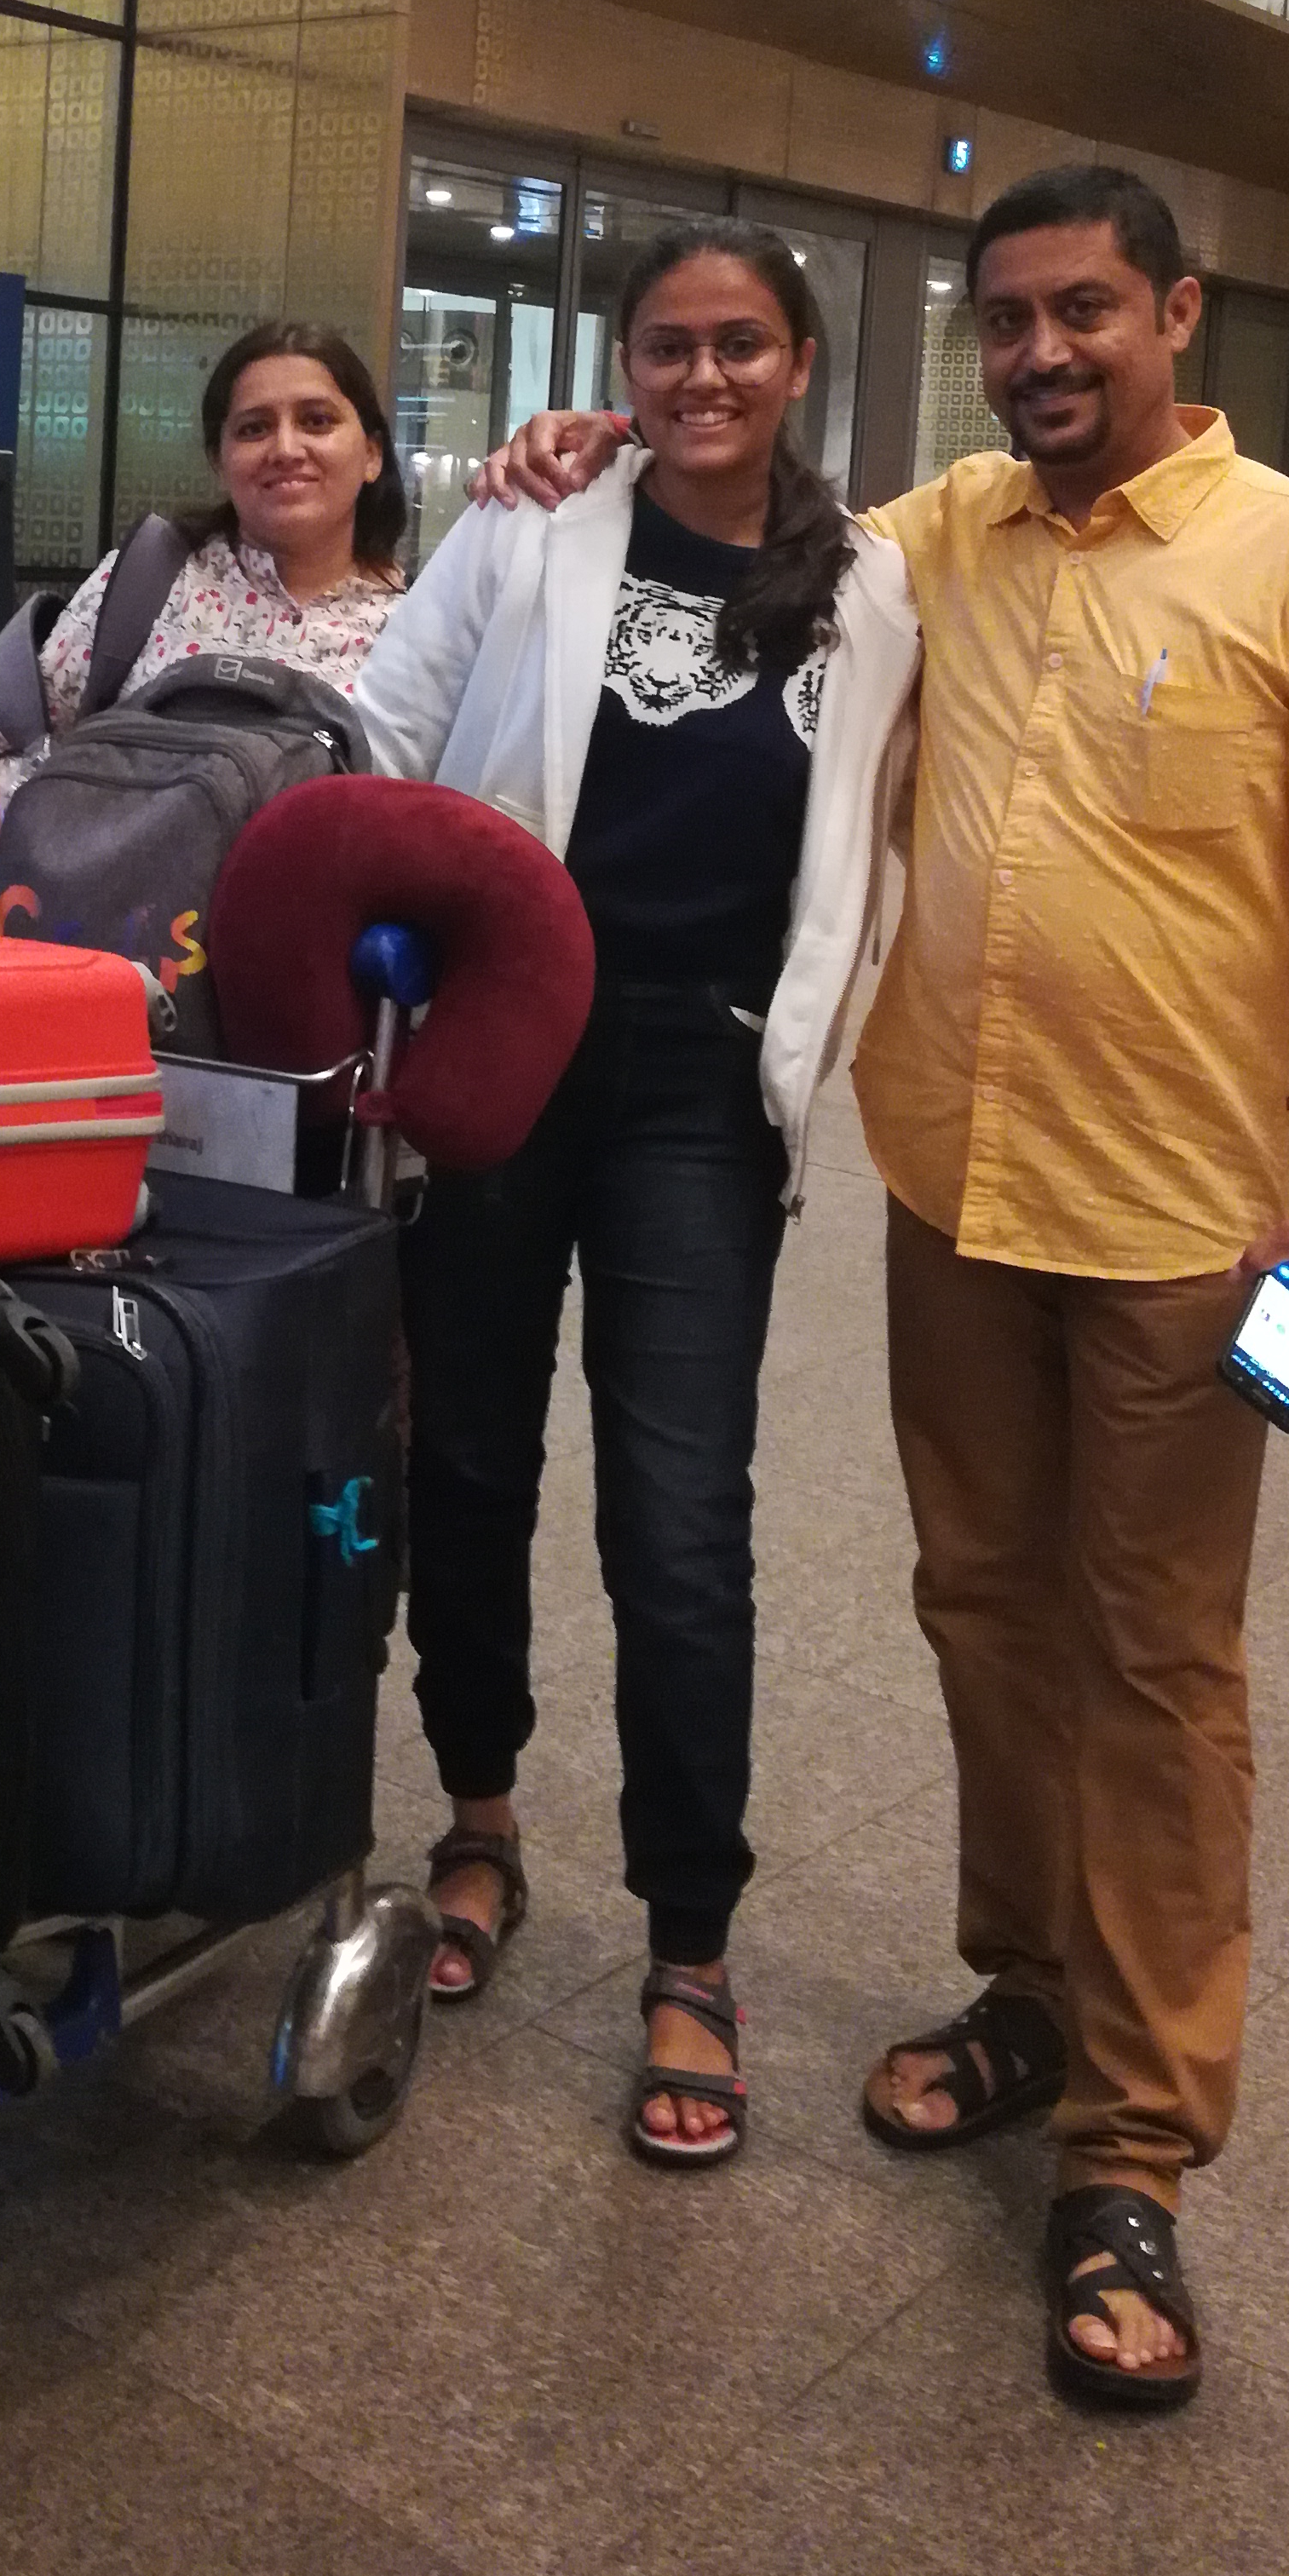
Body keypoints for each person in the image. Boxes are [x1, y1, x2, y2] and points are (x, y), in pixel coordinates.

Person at [477, 162, 1289, 2404]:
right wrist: (572, 445)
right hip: (959, 1192)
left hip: (1188, 1229)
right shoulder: (933, 541)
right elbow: (708, 487)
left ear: (1179, 316)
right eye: (1011, 320)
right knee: (986, 1609)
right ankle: (1029, 1996)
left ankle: (1135, 2146)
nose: (1041, 353)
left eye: (1084, 314)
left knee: (1157, 1660)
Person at [354, 223, 918, 2172]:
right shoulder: (526, 528)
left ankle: (690, 1938)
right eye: (666, 348)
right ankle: (482, 1814)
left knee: (677, 1511)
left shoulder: (870, 583)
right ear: (621, 362)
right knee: (473, 1463)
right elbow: (382, 744)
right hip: (509, 1046)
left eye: (738, 346)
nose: (701, 379)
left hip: (699, 1073)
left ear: (796, 361)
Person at [0, 322, 406, 862]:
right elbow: (1, 747)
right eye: (253, 429)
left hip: (300, 938)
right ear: (219, 460)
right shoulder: (151, 581)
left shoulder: (412, 634)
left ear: (371, 455)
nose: (286, 447)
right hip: (101, 925)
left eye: (317, 421)